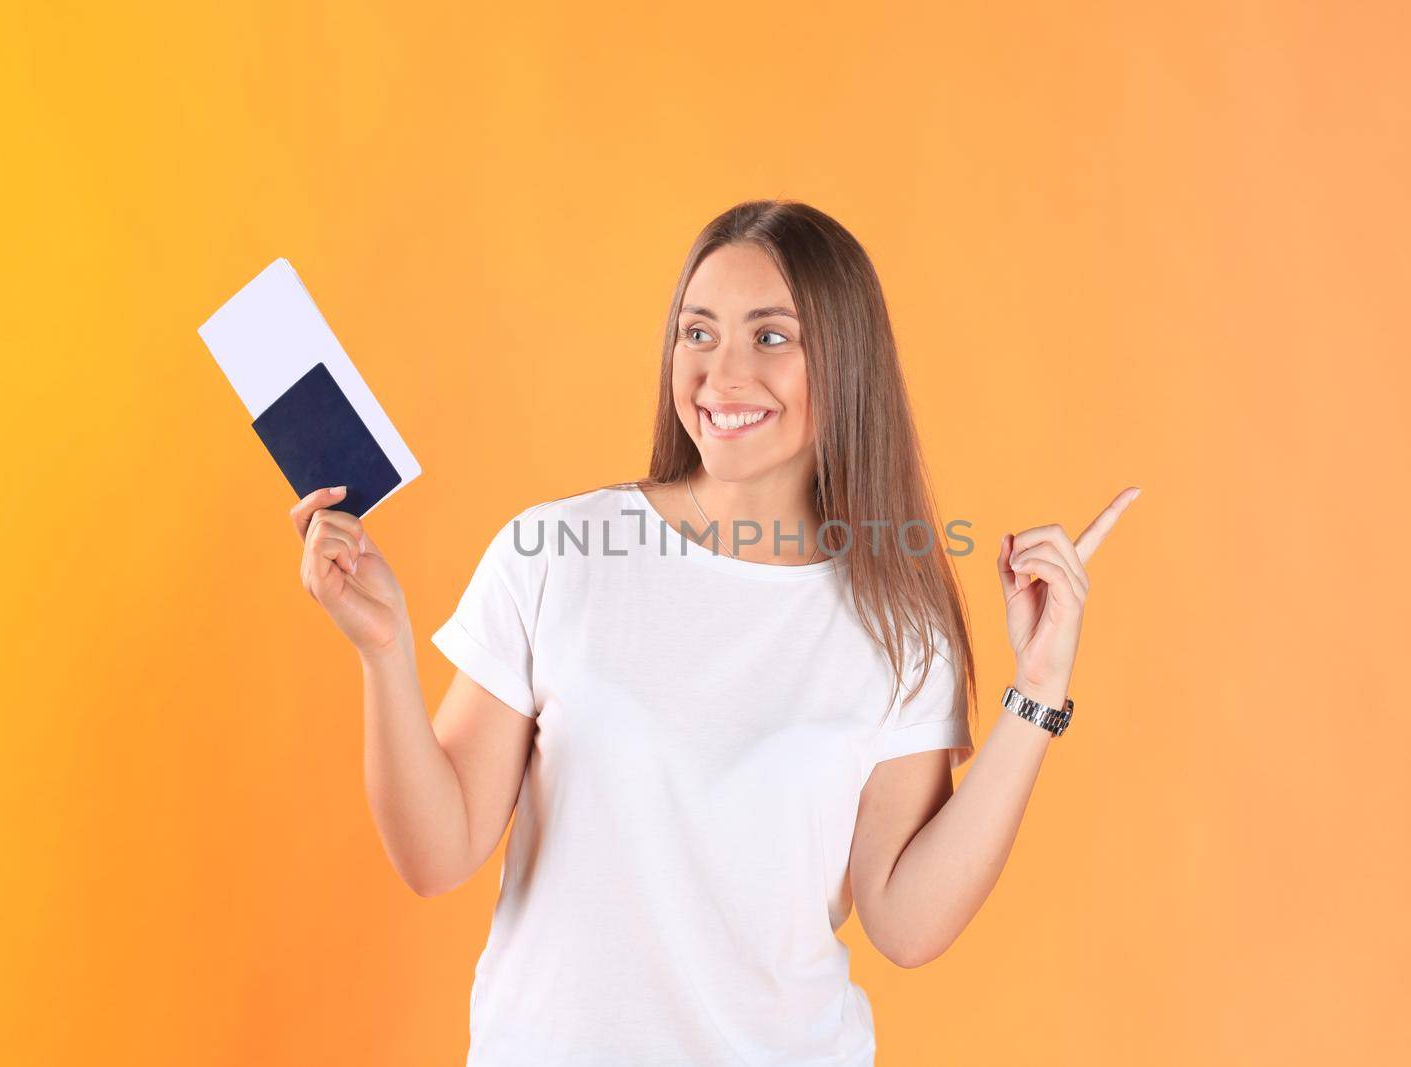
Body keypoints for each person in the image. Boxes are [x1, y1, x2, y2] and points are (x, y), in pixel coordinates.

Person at [290, 199, 1139, 1065]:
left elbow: (908, 922)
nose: (720, 374)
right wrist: (385, 649)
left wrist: (1036, 693)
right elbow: (436, 854)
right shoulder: (557, 553)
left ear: (847, 362)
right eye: (697, 334)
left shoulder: (900, 624)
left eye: (770, 337)